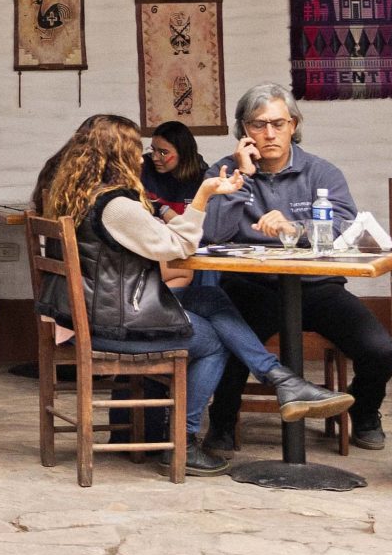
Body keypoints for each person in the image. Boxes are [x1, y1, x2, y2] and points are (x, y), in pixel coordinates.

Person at [202, 82, 392, 454]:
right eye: (258, 125)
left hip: (317, 287)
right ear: (243, 130)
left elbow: (347, 230)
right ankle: (223, 423)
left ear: (294, 125)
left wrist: (297, 230)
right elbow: (210, 232)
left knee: (380, 349)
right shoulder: (224, 172)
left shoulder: (321, 173)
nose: (269, 133)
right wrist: (241, 179)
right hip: (252, 287)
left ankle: (365, 410)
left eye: (278, 123)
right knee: (229, 347)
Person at [38, 113, 241, 476]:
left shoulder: (71, 196)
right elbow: (177, 246)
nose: (143, 158)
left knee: (212, 302)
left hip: (84, 314)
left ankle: (277, 377)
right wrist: (204, 195)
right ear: (120, 154)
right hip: (115, 325)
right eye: (137, 149)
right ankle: (185, 441)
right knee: (212, 341)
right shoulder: (116, 206)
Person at [140, 121, 207, 215]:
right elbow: (127, 198)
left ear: (183, 153)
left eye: (163, 153)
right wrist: (161, 209)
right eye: (153, 150)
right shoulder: (143, 167)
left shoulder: (203, 178)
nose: (155, 158)